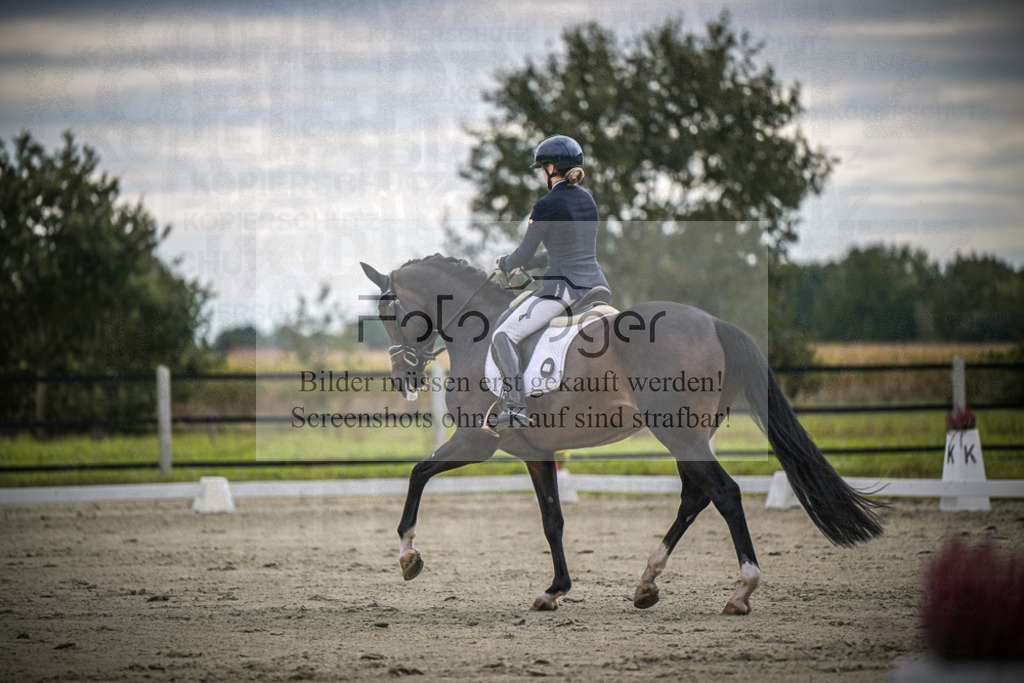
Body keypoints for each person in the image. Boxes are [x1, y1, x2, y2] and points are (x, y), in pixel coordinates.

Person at [490, 134, 611, 429]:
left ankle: (516, 407)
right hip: (595, 285)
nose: (542, 174)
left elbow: (522, 253)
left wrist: (507, 263)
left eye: (542, 168)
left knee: (503, 336)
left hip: (563, 290)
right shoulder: (587, 199)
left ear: (551, 167)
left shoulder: (547, 205)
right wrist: (530, 262)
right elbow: (565, 251)